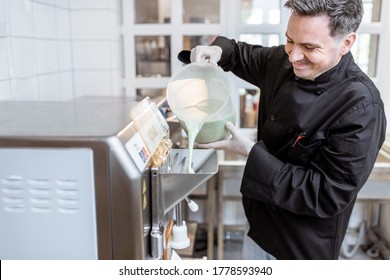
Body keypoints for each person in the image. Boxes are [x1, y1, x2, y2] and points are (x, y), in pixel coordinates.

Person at [179, 0, 387, 259]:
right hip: (257, 227)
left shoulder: (361, 107)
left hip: (300, 248)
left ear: (346, 42)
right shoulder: (283, 61)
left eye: (309, 47)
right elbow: (237, 52)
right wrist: (216, 52)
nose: (294, 56)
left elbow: (326, 195)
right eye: (290, 40)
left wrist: (251, 153)